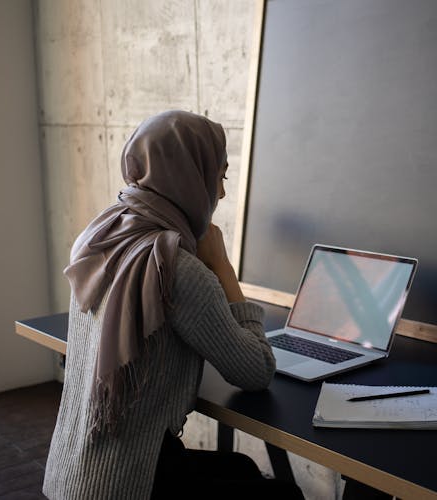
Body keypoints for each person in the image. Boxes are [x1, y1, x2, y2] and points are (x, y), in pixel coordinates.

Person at [42, 110, 304, 499]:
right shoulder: (175, 268)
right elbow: (257, 370)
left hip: (72, 472)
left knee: (243, 467)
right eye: (220, 177)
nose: (222, 194)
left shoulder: (98, 235)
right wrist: (222, 265)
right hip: (130, 483)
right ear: (189, 177)